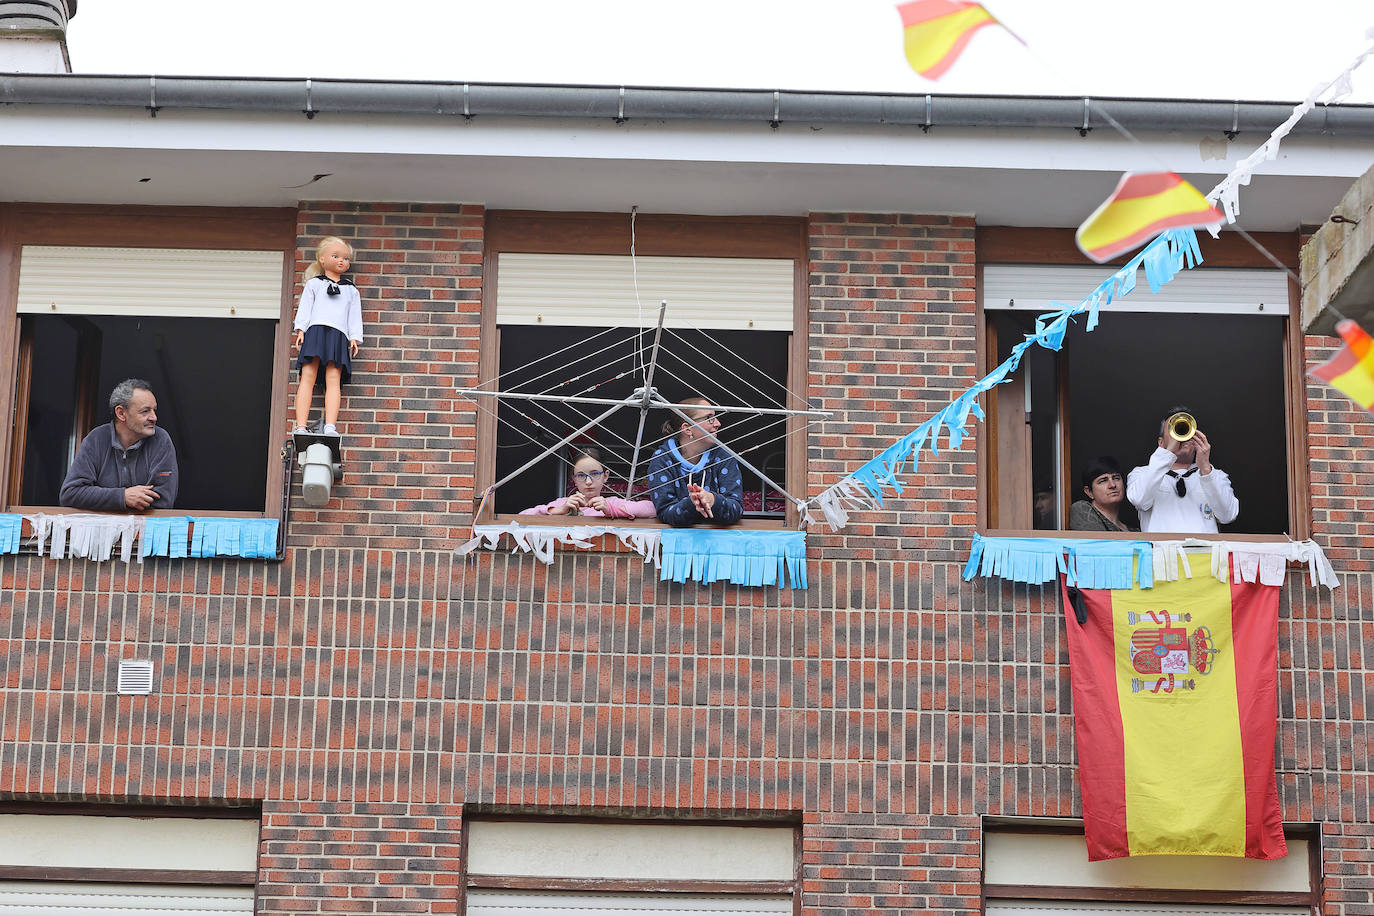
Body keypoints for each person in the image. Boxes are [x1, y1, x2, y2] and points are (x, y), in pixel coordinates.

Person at [59, 378, 179, 511]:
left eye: (154, 410)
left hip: (146, 531)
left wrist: (101, 500)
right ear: (121, 413)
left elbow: (163, 502)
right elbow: (70, 494)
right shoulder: (96, 439)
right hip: (101, 531)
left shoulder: (161, 440)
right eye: (145, 411)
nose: (154, 417)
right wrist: (122, 497)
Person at [1126, 406, 1239, 533]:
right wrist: (1167, 453)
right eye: (1173, 430)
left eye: (1186, 430)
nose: (1182, 436)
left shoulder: (1215, 475)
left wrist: (1205, 469)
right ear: (1161, 443)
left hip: (1204, 552)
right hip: (1160, 552)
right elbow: (1139, 499)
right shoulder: (1142, 473)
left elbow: (1228, 516)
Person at [293, 236, 363, 436]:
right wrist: (301, 330)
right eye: (336, 256)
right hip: (315, 332)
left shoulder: (351, 290)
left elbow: (354, 316)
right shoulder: (314, 284)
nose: (341, 261)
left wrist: (354, 337)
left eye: (346, 258)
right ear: (322, 259)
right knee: (308, 376)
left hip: (338, 336)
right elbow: (305, 309)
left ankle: (330, 426)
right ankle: (301, 426)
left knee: (333, 378)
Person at [646, 397, 744, 527]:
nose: (718, 423)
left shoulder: (724, 456)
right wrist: (692, 504)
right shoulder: (662, 459)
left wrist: (713, 500)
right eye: (709, 418)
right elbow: (665, 512)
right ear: (687, 429)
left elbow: (736, 509)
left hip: (718, 539)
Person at [520, 446, 656, 519]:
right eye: (580, 476)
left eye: (595, 474)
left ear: (606, 476)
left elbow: (652, 509)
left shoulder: (612, 503)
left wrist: (611, 510)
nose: (588, 482)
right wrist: (560, 510)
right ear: (573, 479)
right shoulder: (564, 503)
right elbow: (522, 516)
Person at [1069, 456, 1134, 532]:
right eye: (1103, 481)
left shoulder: (1135, 531)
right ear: (1089, 492)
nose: (1112, 485)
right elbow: (1099, 542)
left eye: (1116, 478)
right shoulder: (1082, 509)